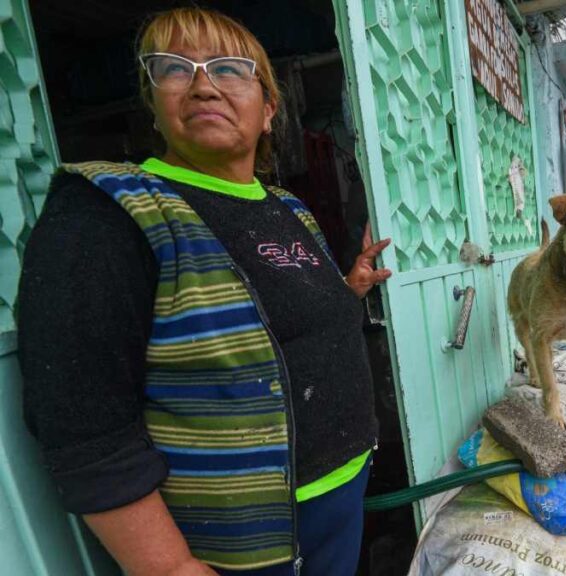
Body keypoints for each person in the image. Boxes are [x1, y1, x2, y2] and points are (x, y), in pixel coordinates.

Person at [18, 8, 390, 576]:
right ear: (154, 101)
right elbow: (83, 422)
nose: (202, 83)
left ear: (268, 110)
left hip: (340, 499)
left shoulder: (286, 208)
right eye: (174, 67)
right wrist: (168, 566)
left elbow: (278, 324)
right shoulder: (108, 211)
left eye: (229, 68)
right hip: (239, 547)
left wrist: (349, 288)